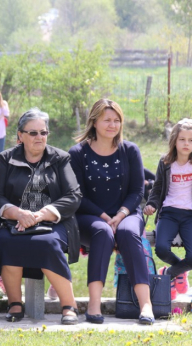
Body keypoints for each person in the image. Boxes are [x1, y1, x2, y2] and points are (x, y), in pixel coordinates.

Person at [68, 98, 154, 325]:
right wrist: (105, 217)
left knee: (127, 232)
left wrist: (121, 214)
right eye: (107, 120)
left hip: (127, 214)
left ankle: (146, 305)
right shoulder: (77, 153)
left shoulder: (130, 151)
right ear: (94, 121)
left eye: (117, 120)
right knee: (103, 232)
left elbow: (137, 190)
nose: (112, 125)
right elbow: (77, 195)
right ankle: (94, 304)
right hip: (90, 216)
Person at [0, 108, 82, 325]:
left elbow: (74, 196)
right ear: (20, 136)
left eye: (43, 132)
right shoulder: (7, 159)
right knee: (5, 241)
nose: (39, 137)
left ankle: (69, 306)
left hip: (53, 222)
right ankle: (14, 303)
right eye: (32, 133)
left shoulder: (60, 159)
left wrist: (41, 215)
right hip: (16, 221)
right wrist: (17, 213)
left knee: (48, 243)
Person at [144, 118, 192, 300]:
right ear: (174, 140)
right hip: (169, 212)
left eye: (191, 140)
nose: (186, 144)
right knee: (161, 249)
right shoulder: (166, 162)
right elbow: (158, 188)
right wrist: (152, 204)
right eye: (182, 139)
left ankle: (168, 274)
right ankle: (180, 272)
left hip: (191, 215)